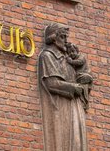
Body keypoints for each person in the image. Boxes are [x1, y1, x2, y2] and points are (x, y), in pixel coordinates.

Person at [38, 23, 89, 151]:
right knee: (68, 140)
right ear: (53, 38)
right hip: (61, 106)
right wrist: (74, 88)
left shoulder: (68, 58)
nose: (66, 41)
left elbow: (80, 74)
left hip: (75, 104)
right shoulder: (48, 56)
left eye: (66, 37)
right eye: (62, 37)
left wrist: (86, 79)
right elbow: (51, 83)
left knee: (78, 142)